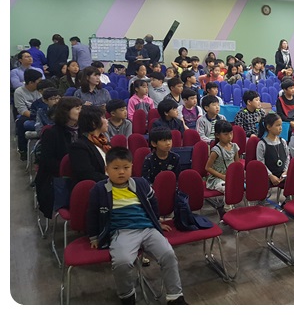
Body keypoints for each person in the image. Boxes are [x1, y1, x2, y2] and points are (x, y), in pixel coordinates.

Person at [86, 147, 187, 305]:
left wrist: (157, 221)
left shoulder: (140, 184)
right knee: (122, 262)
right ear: (106, 169)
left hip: (148, 229)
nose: (121, 172)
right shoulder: (99, 189)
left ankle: (175, 297)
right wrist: (93, 237)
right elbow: (91, 214)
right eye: (116, 168)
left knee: (168, 254)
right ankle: (127, 294)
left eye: (126, 167)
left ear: (132, 167)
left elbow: (153, 203)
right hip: (122, 232)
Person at [34, 96, 82, 218]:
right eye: (77, 108)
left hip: (79, 174)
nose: (81, 111)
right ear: (66, 111)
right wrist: (71, 169)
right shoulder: (52, 133)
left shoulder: (82, 131)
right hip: (58, 177)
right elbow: (47, 162)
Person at [69, 105, 110, 188]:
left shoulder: (104, 142)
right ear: (93, 123)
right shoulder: (79, 146)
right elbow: (87, 174)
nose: (107, 121)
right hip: (96, 187)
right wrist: (112, 180)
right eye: (103, 118)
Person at [205, 120, 240, 196]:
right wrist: (222, 176)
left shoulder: (234, 147)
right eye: (226, 134)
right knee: (228, 188)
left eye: (231, 133)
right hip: (217, 179)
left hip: (230, 176)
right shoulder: (216, 150)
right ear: (217, 135)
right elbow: (208, 168)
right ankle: (228, 204)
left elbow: (237, 164)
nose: (229, 136)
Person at [14, 69, 43, 160]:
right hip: (29, 114)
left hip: (41, 113)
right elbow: (22, 110)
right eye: (39, 81)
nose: (41, 83)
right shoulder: (19, 92)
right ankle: (23, 150)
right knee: (21, 122)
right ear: (31, 82)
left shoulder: (40, 90)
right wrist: (36, 116)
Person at [257, 113, 290, 188]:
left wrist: (285, 171)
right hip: (268, 176)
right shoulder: (262, 144)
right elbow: (261, 163)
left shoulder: (283, 141)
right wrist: (270, 175)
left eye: (281, 125)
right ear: (269, 127)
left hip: (283, 174)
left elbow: (287, 157)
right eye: (277, 125)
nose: (280, 128)